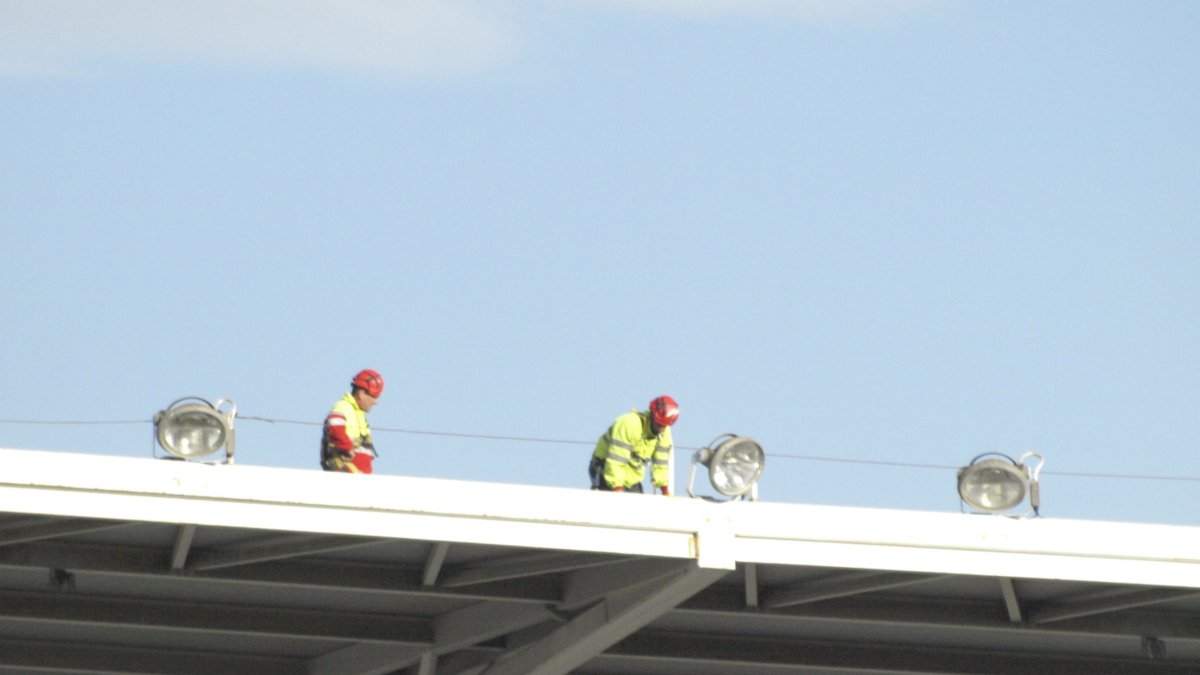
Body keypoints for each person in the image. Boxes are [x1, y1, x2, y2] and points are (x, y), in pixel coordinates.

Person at [589, 395, 679, 495]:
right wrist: (617, 489)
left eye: (664, 425)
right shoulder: (630, 424)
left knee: (638, 509)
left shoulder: (664, 433)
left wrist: (665, 490)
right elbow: (616, 459)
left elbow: (660, 464)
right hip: (605, 469)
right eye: (658, 424)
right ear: (652, 415)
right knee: (614, 508)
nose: (660, 428)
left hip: (632, 478)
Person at [320, 369, 383, 474]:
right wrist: (346, 447)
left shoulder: (359, 415)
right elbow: (334, 423)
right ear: (361, 393)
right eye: (374, 397)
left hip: (359, 475)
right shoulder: (345, 407)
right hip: (346, 473)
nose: (376, 402)